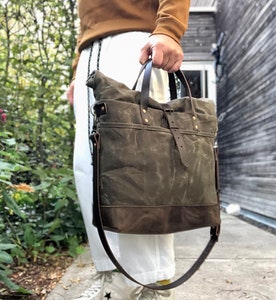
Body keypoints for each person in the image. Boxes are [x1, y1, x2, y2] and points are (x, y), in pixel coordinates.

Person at [67, 1, 190, 299]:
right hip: (90, 53)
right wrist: (76, 69)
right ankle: (112, 274)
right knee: (89, 165)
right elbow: (88, 19)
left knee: (136, 163)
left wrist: (170, 29)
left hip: (134, 42)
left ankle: (148, 281)